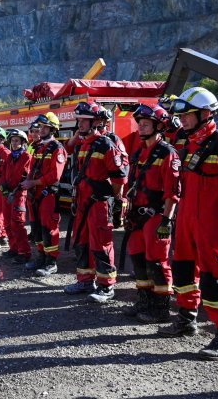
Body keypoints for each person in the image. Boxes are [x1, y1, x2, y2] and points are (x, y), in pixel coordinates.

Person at [157, 87, 218, 360]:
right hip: (187, 220)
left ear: (205, 114)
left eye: (188, 115)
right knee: (184, 272)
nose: (183, 120)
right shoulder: (188, 144)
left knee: (216, 279)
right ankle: (186, 320)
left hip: (214, 224)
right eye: (182, 115)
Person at [64, 101, 129, 303]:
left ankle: (106, 286)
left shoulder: (106, 144)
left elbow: (119, 178)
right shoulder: (84, 144)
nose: (80, 123)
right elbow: (69, 149)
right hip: (83, 201)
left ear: (96, 121)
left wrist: (116, 201)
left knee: (101, 244)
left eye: (84, 120)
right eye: (79, 119)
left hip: (99, 202)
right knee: (81, 241)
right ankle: (85, 280)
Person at [122, 105, 180, 323]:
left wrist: (166, 220)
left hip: (157, 215)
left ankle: (161, 307)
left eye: (146, 123)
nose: (141, 126)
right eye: (140, 123)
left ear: (159, 126)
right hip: (137, 216)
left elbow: (172, 192)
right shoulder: (139, 152)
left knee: (157, 261)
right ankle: (144, 300)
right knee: (137, 258)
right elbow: (131, 185)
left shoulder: (168, 153)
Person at [22, 112, 68, 276]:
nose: (40, 129)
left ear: (52, 128)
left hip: (48, 195)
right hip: (35, 195)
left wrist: (32, 183)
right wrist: (28, 183)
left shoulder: (58, 149)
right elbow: (32, 169)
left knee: (49, 228)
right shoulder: (39, 147)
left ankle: (51, 262)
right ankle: (41, 257)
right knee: (37, 229)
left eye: (43, 126)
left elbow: (54, 176)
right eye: (39, 126)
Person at [0, 129, 33, 264]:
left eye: (17, 141)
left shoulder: (27, 157)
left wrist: (16, 187)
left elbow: (28, 175)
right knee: (7, 222)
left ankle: (24, 252)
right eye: (12, 140)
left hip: (19, 194)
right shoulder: (9, 157)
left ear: (23, 142)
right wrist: (3, 186)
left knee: (17, 223)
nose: (14, 143)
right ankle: (14, 248)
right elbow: (3, 173)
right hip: (8, 193)